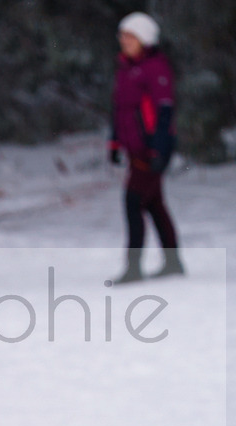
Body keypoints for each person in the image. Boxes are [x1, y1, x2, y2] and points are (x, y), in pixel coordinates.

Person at [109, 12, 183, 283]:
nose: (124, 41)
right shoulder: (126, 68)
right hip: (134, 148)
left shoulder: (155, 68)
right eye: (122, 36)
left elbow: (164, 112)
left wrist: (158, 150)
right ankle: (173, 262)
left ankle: (133, 267)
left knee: (133, 201)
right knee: (153, 204)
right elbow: (120, 109)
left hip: (151, 148)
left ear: (144, 39)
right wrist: (115, 142)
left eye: (129, 36)